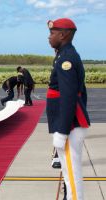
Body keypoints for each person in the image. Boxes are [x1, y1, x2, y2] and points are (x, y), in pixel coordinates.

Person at [46, 18, 90, 200]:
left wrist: (62, 131)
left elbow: (69, 96)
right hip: (69, 123)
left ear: (63, 35)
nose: (49, 37)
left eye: (52, 33)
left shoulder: (66, 59)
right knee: (68, 173)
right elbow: (82, 92)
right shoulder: (64, 55)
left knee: (72, 176)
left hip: (69, 126)